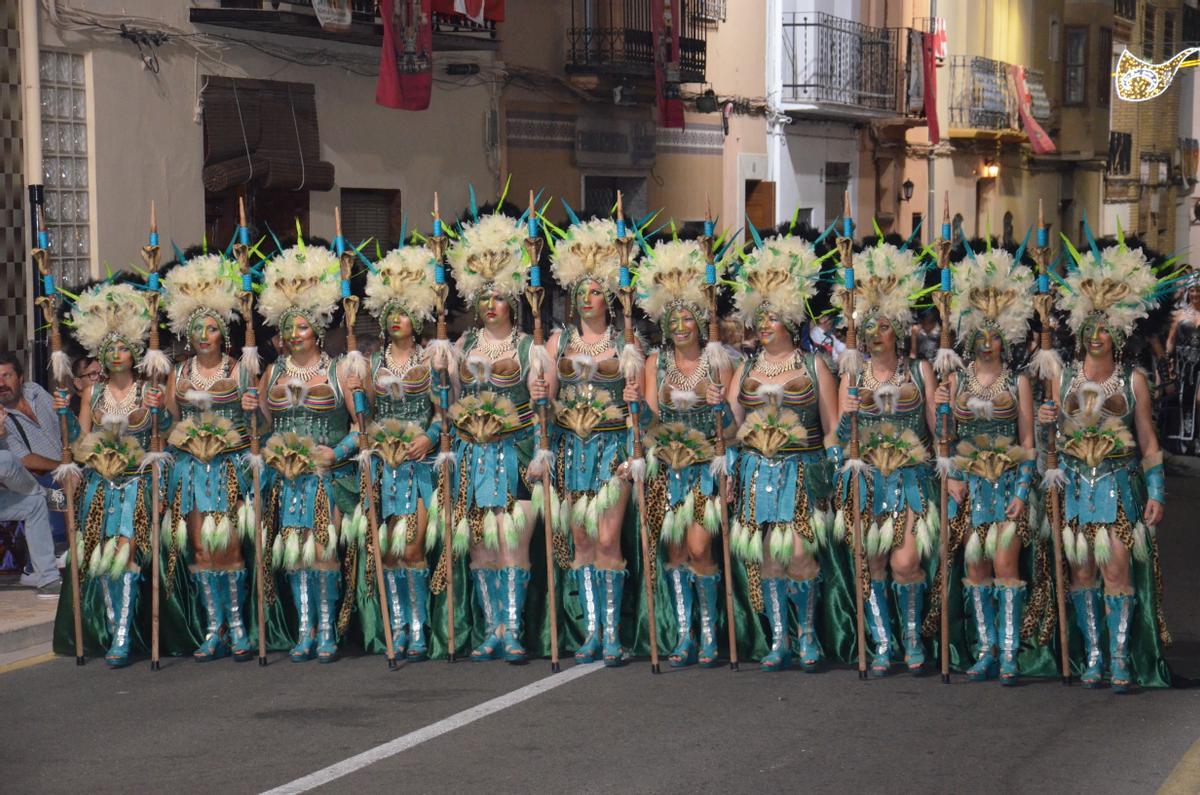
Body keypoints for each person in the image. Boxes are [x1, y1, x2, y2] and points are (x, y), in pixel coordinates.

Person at [1038, 238, 1172, 691]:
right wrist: (1046, 423)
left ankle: (1117, 656)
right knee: (1081, 572)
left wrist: (1156, 492)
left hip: (1118, 486)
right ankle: (1092, 654)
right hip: (1075, 487)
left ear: (1119, 332)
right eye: (1089, 325)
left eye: (1105, 327)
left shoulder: (1134, 380)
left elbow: (1149, 443)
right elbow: (1048, 443)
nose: (1096, 334)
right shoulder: (1062, 376)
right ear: (1078, 328)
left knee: (1116, 568)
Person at [933, 248, 1048, 685]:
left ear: (1007, 337)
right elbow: (946, 439)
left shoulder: (1018, 381)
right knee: (975, 569)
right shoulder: (954, 380)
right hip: (969, 490)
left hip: (1008, 489)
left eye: (994, 334)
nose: (986, 341)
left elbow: (1028, 442)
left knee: (1005, 567)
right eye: (979, 333)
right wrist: (940, 407)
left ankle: (1008, 652)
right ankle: (984, 649)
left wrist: (1022, 492)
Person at [727, 234, 840, 671]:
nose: (764, 324)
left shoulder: (814, 367)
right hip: (757, 471)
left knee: (799, 554)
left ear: (791, 321)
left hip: (802, 472)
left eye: (774, 317)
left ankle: (807, 634)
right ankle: (779, 639)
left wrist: (833, 476)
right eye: (761, 317)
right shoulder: (746, 367)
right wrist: (718, 403)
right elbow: (732, 429)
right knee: (771, 557)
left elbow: (831, 429)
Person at [246, 239, 359, 663]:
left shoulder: (340, 370)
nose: (294, 335)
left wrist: (337, 453)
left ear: (319, 329)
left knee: (321, 549)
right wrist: (250, 411)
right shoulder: (272, 371)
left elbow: (360, 428)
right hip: (283, 477)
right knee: (292, 550)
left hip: (325, 477)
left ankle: (327, 629)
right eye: (288, 327)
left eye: (302, 327)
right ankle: (304, 628)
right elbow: (260, 428)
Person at [833, 242, 939, 677]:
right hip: (867, 480)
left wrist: (948, 408)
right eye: (869, 326)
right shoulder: (851, 375)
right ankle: (882, 639)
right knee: (872, 562)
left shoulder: (919, 373)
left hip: (911, 480)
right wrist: (850, 416)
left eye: (884, 327)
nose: (876, 335)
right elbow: (841, 437)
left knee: (905, 561)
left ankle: (912, 636)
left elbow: (939, 432)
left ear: (898, 329)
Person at [52, 281, 168, 667]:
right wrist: (64, 410)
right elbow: (81, 439)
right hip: (101, 485)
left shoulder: (151, 389)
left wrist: (159, 412)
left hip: (137, 485)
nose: (116, 354)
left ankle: (121, 638)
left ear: (134, 354)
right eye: (110, 349)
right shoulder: (93, 394)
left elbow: (164, 435)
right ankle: (117, 623)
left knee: (126, 555)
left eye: (122, 348)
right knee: (102, 559)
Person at [543, 216, 641, 666]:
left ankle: (613, 633)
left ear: (610, 297)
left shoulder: (627, 343)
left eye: (595, 292)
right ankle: (592, 634)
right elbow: (544, 396)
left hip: (612, 451)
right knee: (582, 543)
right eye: (579, 293)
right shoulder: (557, 342)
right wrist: (538, 393)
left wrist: (634, 397)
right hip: (570, 451)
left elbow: (643, 406)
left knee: (607, 540)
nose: (587, 300)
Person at [444, 210, 541, 664]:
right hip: (473, 456)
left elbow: (543, 408)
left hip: (515, 451)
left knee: (512, 541)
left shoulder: (529, 348)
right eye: (484, 297)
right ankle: (491, 627)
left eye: (499, 297)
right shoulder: (461, 347)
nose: (490, 305)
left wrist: (540, 449)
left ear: (513, 301)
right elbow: (453, 402)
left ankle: (515, 627)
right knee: (482, 543)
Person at [634, 237, 735, 668]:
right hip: (667, 470)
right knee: (674, 552)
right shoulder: (655, 363)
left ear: (699, 321)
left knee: (699, 549)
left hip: (706, 470)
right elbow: (650, 422)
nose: (679, 326)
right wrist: (634, 401)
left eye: (687, 319)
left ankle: (711, 635)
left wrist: (720, 406)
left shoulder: (720, 363)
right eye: (672, 320)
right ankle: (684, 634)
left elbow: (731, 428)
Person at [160, 252, 253, 661]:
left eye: (211, 327)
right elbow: (167, 425)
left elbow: (260, 425)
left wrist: (254, 408)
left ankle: (237, 628)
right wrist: (154, 408)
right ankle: (213, 628)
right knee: (199, 549)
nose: (203, 334)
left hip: (229, 469)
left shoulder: (239, 369)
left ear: (223, 334)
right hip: (190, 471)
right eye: (196, 327)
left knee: (228, 549)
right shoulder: (177, 374)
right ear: (187, 332)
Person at [357, 242, 444, 660]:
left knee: (412, 547)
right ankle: (397, 628)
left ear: (420, 317)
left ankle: (419, 626)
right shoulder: (369, 365)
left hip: (420, 467)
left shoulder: (433, 359)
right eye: (390, 313)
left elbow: (447, 414)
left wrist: (429, 436)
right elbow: (362, 419)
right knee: (389, 551)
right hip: (384, 468)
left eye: (404, 312)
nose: (396, 320)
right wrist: (366, 430)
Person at [0, 352, 65, 594]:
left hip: (26, 481)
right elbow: (21, 460)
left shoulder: (36, 391)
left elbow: (63, 423)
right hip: (26, 474)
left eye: (6, 375)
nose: (1, 383)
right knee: (8, 459)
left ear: (20, 377)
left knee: (35, 502)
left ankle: (44, 577)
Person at [1164, 276, 1200, 454]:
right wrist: (1168, 361)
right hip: (1182, 365)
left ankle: (1196, 438)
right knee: (1180, 400)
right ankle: (1181, 441)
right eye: (1193, 290)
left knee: (1198, 400)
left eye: (1198, 290)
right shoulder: (1180, 314)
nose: (1195, 294)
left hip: (1199, 365)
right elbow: (1170, 340)